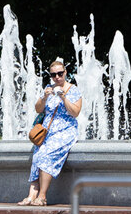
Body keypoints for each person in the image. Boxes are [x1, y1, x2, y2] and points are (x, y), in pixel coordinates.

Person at [18, 60, 83, 206]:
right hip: (47, 131)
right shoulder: (48, 88)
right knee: (37, 156)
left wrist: (63, 97)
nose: (57, 77)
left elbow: (75, 112)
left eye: (60, 73)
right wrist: (44, 97)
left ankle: (42, 196)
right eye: (54, 75)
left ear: (65, 72)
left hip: (65, 131)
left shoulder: (73, 90)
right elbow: (38, 109)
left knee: (46, 156)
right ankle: (31, 196)